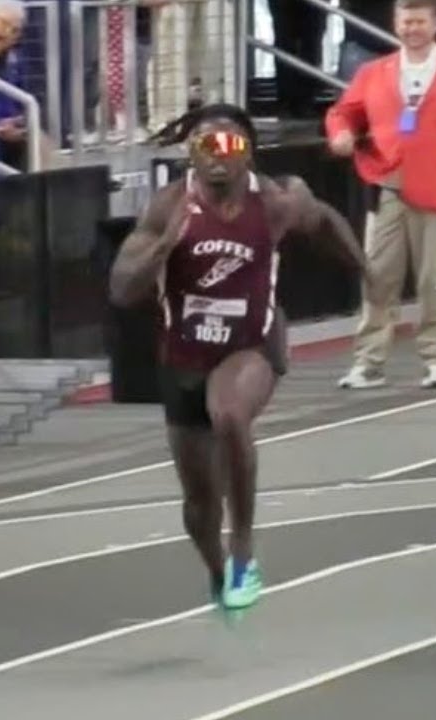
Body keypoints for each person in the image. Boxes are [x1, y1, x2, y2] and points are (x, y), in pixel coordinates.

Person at [108, 104, 367, 610]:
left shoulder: (274, 202)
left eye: (229, 145)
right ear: (192, 154)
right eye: (206, 146)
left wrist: (367, 271)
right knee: (200, 506)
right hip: (184, 356)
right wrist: (162, 248)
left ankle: (244, 547)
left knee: (228, 413)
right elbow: (121, 289)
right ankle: (218, 569)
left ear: (248, 152)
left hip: (251, 344)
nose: (218, 157)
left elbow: (324, 221)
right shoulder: (168, 207)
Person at [326, 0, 436, 391]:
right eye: (405, 21)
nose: (411, 28)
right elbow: (343, 112)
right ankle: (368, 361)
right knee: (377, 277)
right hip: (387, 188)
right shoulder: (373, 72)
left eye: (419, 21)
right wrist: (341, 133)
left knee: (433, 280)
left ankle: (435, 358)